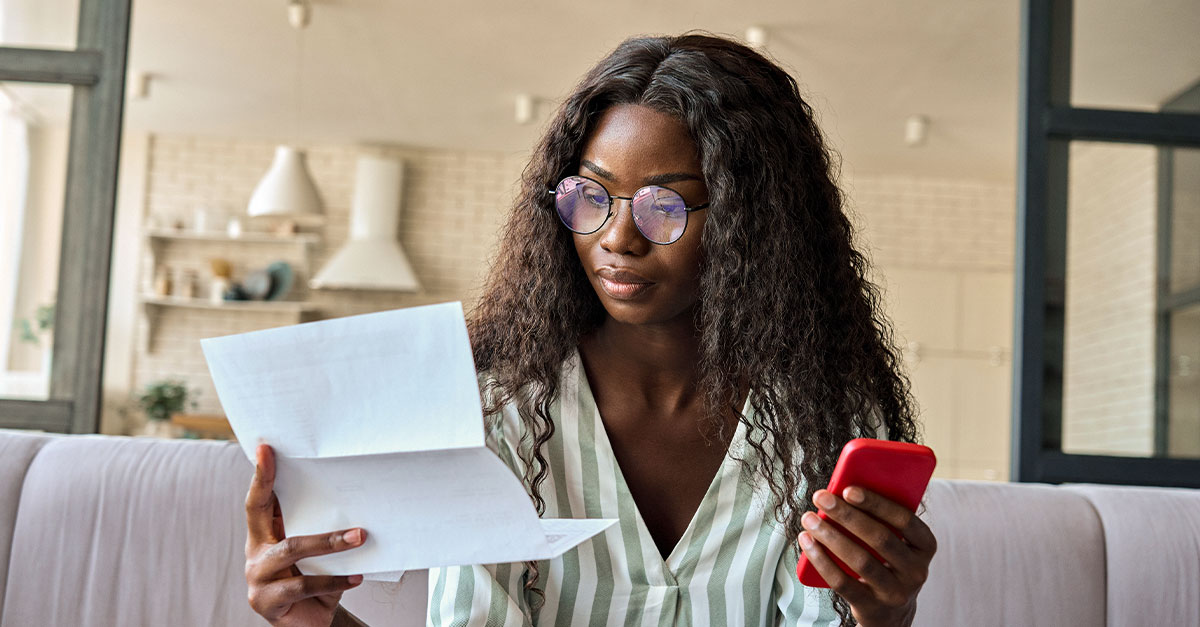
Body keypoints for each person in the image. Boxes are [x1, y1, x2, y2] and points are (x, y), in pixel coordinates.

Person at [243, 31, 936, 627]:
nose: (617, 237)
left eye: (665, 204)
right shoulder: (500, 413)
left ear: (752, 225)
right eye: (591, 195)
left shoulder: (819, 423)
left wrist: (882, 615)